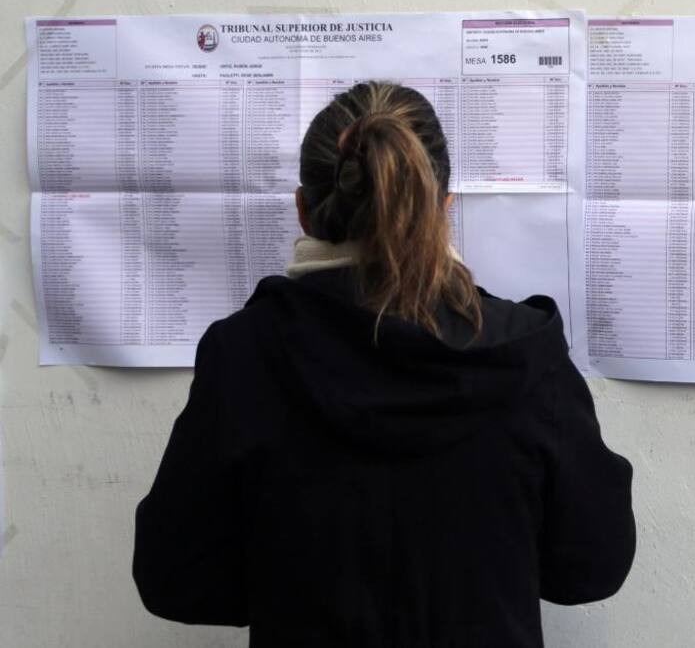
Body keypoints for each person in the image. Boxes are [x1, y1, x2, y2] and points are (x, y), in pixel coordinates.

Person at [133, 81, 636, 647]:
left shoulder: (244, 356)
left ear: (304, 211)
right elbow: (592, 567)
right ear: (444, 205)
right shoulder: (524, 354)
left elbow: (174, 579)